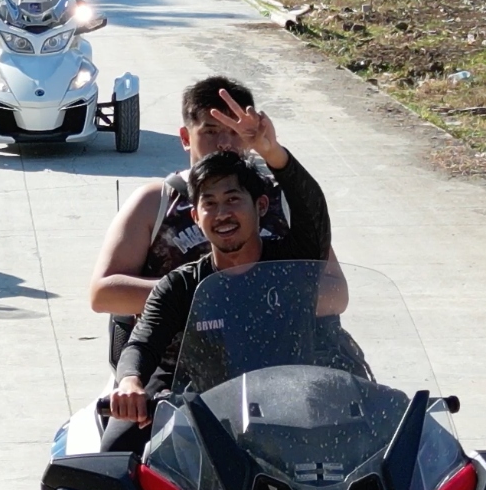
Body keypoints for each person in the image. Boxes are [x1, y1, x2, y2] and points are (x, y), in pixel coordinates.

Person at [87, 77, 328, 360]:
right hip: (173, 369)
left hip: (274, 365)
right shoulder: (155, 202)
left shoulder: (280, 199)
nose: (224, 144)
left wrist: (264, 292)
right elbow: (103, 293)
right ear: (186, 138)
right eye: (211, 131)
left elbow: (336, 291)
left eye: (235, 132)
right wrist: (202, 294)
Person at [109, 148, 333, 433]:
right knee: (115, 450)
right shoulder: (180, 286)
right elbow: (142, 343)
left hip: (298, 421)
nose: (222, 214)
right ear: (195, 216)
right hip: (211, 429)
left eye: (232, 199)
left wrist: (275, 154)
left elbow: (313, 210)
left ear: (261, 206)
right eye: (210, 204)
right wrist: (130, 381)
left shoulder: (294, 264)